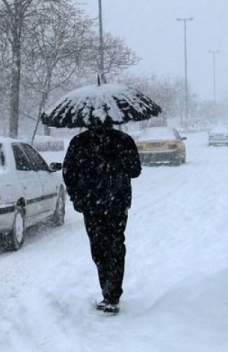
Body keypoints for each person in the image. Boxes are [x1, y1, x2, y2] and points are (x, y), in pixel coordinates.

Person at [62, 118, 142, 314]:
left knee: (99, 247)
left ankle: (108, 290)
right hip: (116, 203)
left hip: (93, 205)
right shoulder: (123, 140)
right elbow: (135, 170)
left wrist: (77, 196)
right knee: (115, 246)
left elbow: (68, 173)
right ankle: (112, 293)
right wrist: (116, 164)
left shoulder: (79, 142)